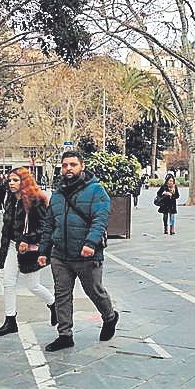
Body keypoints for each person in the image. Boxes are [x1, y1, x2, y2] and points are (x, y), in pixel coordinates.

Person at [39, 151, 118, 352]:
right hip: (60, 255)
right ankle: (65, 334)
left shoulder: (96, 191)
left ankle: (109, 316)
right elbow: (49, 224)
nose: (68, 169)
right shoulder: (57, 194)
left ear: (82, 166)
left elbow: (100, 219)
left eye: (73, 164)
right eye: (65, 165)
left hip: (86, 254)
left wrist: (90, 243)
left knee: (94, 291)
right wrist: (43, 250)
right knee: (62, 294)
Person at [0, 167, 57, 336]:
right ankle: (10, 320)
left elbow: (45, 227)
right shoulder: (10, 199)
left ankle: (53, 304)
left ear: (24, 181)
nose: (11, 183)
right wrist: (3, 251)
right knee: (8, 283)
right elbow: (6, 228)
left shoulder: (35, 200)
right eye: (10, 180)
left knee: (33, 286)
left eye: (15, 180)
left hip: (30, 249)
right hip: (13, 247)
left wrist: (27, 239)